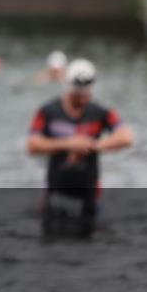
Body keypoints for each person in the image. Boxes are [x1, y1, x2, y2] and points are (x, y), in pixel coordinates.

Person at [26, 59, 134, 236]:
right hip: (56, 191)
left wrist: (93, 145)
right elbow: (32, 145)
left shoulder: (101, 112)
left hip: (88, 193)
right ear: (69, 87)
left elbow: (126, 137)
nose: (84, 98)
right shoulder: (48, 111)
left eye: (87, 93)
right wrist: (69, 143)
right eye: (79, 94)